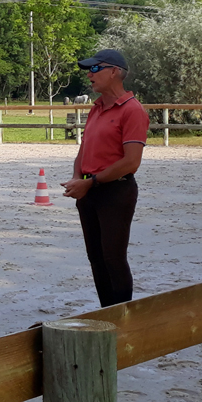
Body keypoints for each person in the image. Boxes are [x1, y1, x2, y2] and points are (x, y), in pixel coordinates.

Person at [61, 48, 149, 307]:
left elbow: (131, 161)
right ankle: (106, 312)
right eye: (89, 69)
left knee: (113, 257)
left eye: (95, 68)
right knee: (96, 257)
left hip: (115, 191)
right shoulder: (96, 108)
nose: (89, 74)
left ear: (114, 73)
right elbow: (84, 147)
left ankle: (122, 316)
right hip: (89, 190)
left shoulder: (132, 110)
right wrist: (78, 177)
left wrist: (91, 182)